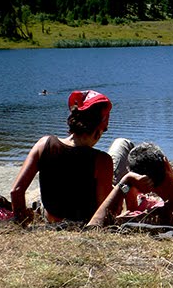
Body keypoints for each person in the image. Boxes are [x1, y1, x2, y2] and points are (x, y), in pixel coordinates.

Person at [10, 90, 114, 224]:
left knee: (37, 194)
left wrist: (21, 222)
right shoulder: (102, 161)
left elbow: (16, 191)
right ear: (98, 129)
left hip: (52, 218)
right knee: (121, 144)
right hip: (84, 222)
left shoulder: (44, 144)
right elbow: (104, 211)